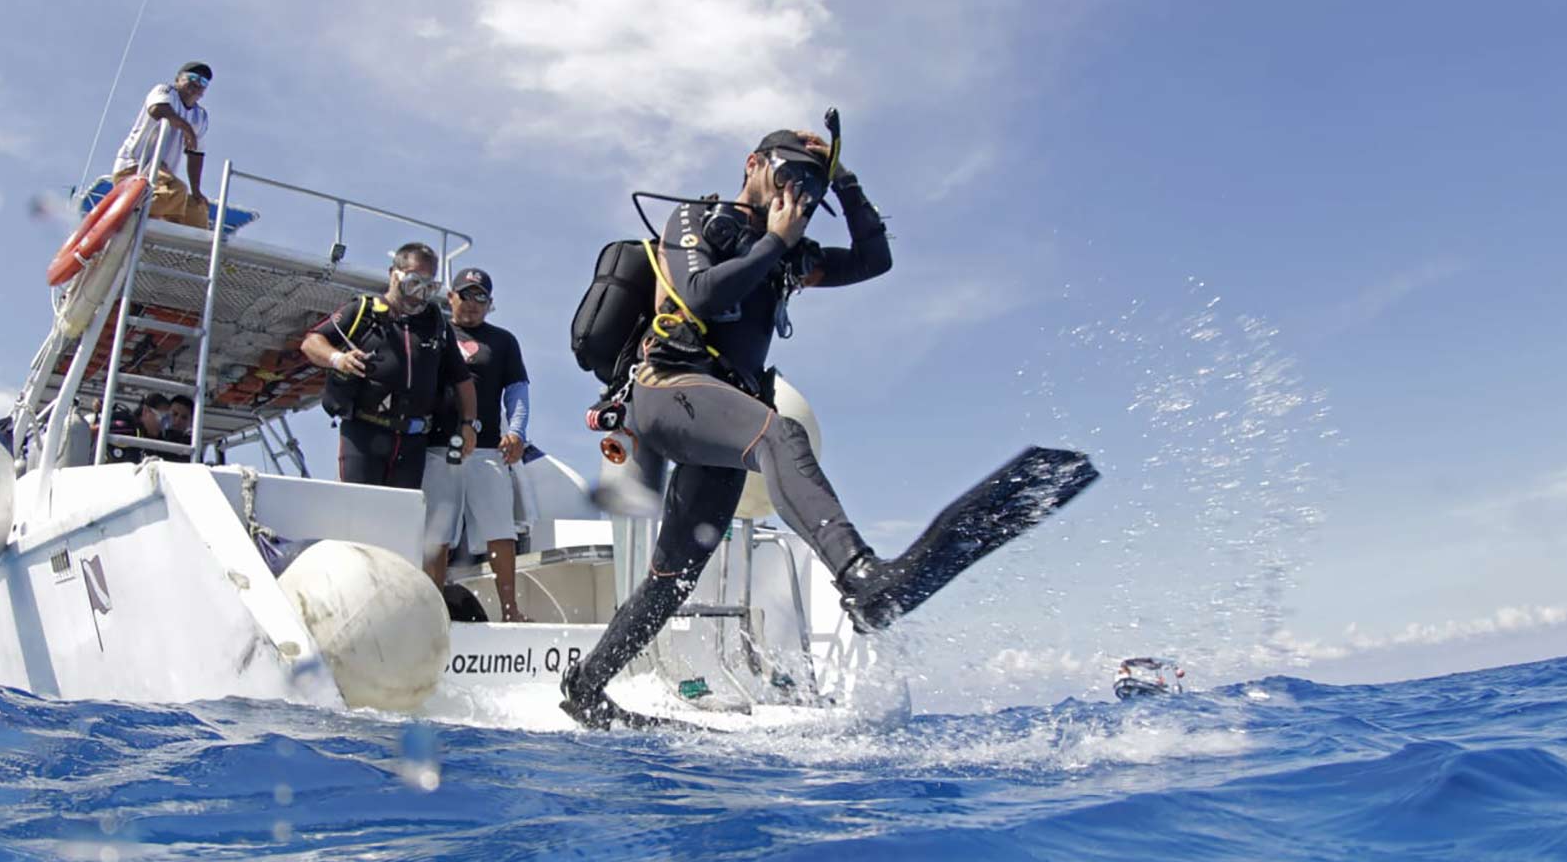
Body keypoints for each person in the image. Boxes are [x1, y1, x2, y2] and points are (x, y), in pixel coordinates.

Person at [562, 127, 1041, 729]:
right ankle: (862, 576)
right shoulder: (701, 220)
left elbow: (875, 259)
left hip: (721, 409)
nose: (802, 191)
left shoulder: (795, 253)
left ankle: (586, 686)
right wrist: (776, 240)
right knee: (780, 434)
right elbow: (700, 293)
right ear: (754, 164)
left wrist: (846, 181)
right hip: (667, 390)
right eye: (791, 173)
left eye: (815, 186)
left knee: (674, 574)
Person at [301, 243, 477, 489]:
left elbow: (462, 379)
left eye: (428, 287)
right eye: (414, 282)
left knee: (402, 515)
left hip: (413, 441)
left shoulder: (436, 325)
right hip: (363, 433)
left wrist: (469, 424)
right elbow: (312, 342)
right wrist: (338, 359)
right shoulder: (363, 311)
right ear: (394, 275)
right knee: (359, 509)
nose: (419, 294)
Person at [422, 267, 535, 620]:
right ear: (450, 297)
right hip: (437, 447)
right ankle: (434, 610)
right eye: (464, 295)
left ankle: (510, 609)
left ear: (490, 303)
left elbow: (517, 391)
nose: (471, 304)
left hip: (487, 448)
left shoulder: (503, 341)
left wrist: (516, 431)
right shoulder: (432, 331)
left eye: (480, 297)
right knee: (437, 533)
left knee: (500, 529)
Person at [110, 62, 214, 230]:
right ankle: (123, 218)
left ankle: (189, 254)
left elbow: (196, 154)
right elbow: (158, 109)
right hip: (137, 166)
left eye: (203, 82)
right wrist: (185, 127)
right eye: (192, 78)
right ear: (178, 79)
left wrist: (197, 191)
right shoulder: (165, 92)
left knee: (197, 209)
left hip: (162, 177)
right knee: (176, 190)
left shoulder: (200, 116)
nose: (197, 84)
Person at [104, 392, 186, 463]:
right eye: (162, 418)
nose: (165, 425)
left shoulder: (162, 443)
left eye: (168, 420)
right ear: (146, 411)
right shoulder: (125, 429)